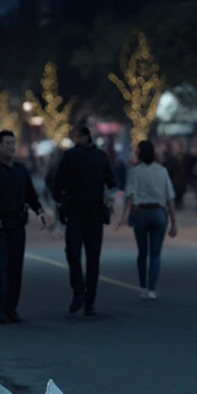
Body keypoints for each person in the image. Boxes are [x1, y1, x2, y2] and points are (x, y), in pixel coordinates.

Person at [0, 130, 50, 324]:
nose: (11, 147)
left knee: (15, 267)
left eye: (13, 143)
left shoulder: (20, 170)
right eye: (7, 143)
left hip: (18, 224)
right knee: (0, 267)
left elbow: (31, 195)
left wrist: (40, 212)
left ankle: (12, 308)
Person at [52, 125, 116, 316]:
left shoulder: (76, 156)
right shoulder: (95, 157)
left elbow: (57, 184)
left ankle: (83, 296)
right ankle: (85, 297)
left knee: (80, 254)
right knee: (86, 256)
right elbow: (112, 184)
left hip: (82, 213)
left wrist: (60, 201)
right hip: (87, 213)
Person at [118, 140, 177, 300]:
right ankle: (152, 289)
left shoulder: (135, 171)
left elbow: (129, 195)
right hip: (159, 212)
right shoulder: (162, 171)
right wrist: (174, 222)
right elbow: (170, 198)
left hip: (141, 213)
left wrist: (123, 217)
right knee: (156, 254)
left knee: (142, 253)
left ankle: (143, 286)